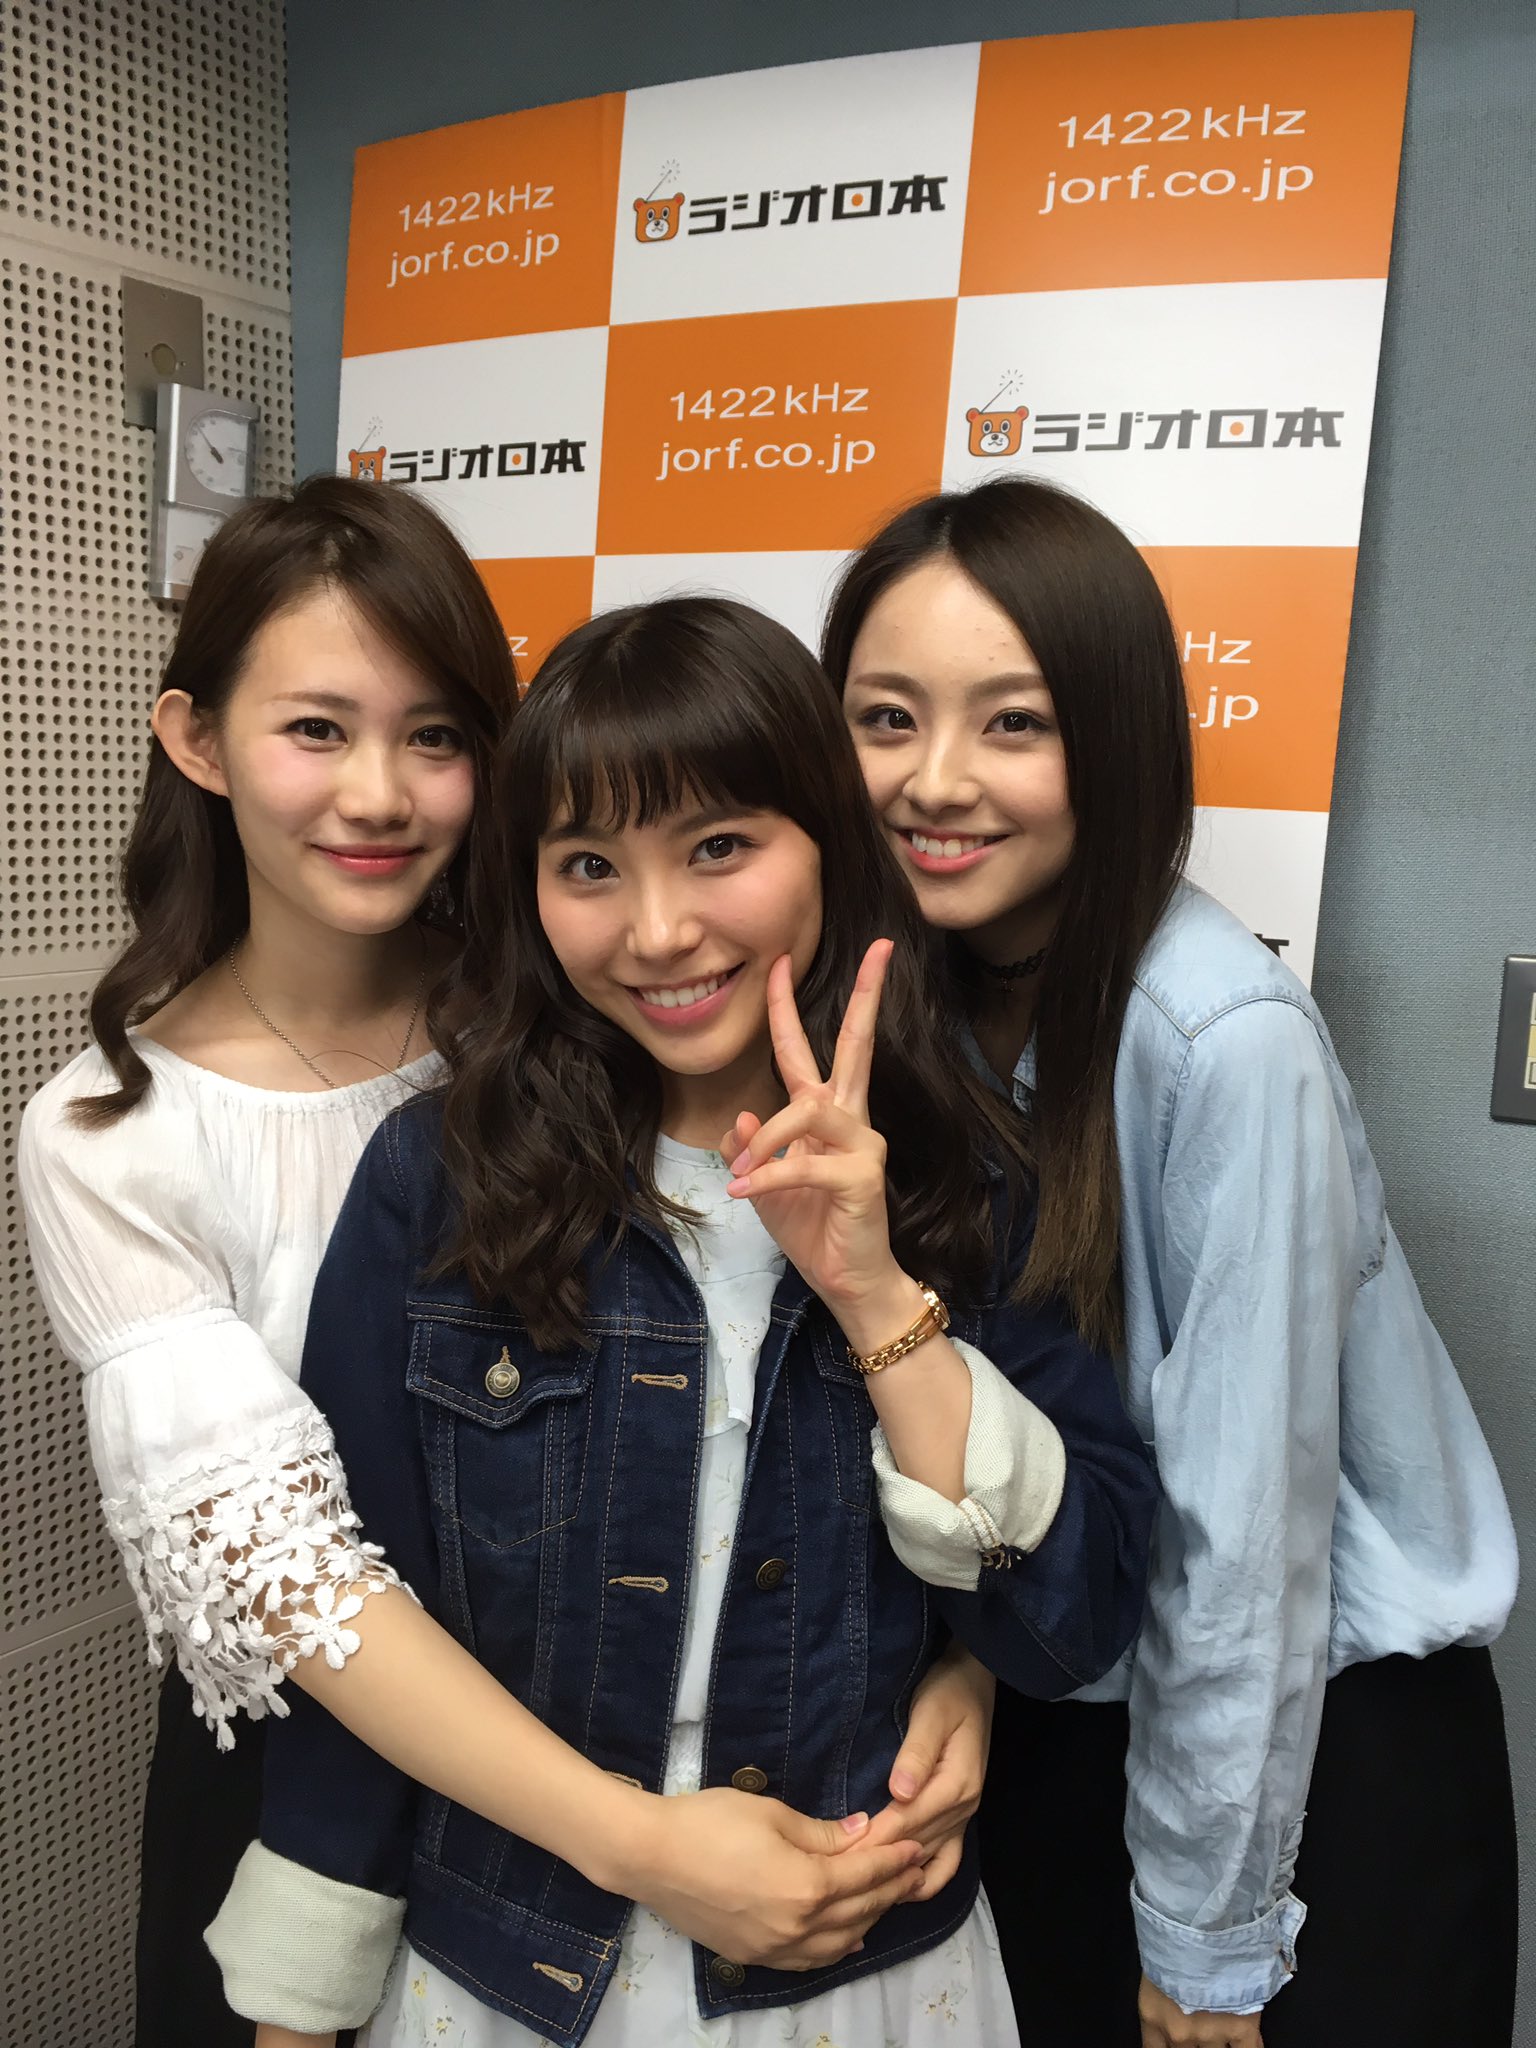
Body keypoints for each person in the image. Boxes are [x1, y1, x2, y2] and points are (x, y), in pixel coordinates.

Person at [19, 490, 993, 2048]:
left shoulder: (596, 1018)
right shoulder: (111, 1132)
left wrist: (948, 1668)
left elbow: (811, 1435)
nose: (381, 793)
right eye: (317, 730)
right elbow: (297, 1573)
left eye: (435, 736)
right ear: (198, 741)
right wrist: (641, 1846)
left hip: (681, 1802)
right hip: (326, 1786)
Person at [202, 594, 1156, 2047]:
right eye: (590, 866)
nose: (658, 932)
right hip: (504, 1969)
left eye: (720, 847)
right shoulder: (442, 1179)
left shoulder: (971, 1181)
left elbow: (1065, 1627)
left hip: (858, 1967)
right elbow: (354, 1603)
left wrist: (872, 1294)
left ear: (827, 843)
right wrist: (297, 2008)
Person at [820, 475, 1520, 2048]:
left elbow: (1242, 1539)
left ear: (1117, 739)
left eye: (1013, 722)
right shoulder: (908, 999)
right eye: (885, 719)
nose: (936, 780)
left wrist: (1209, 1935)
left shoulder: (1219, 1034)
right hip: (1079, 1713)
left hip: (1309, 1762)